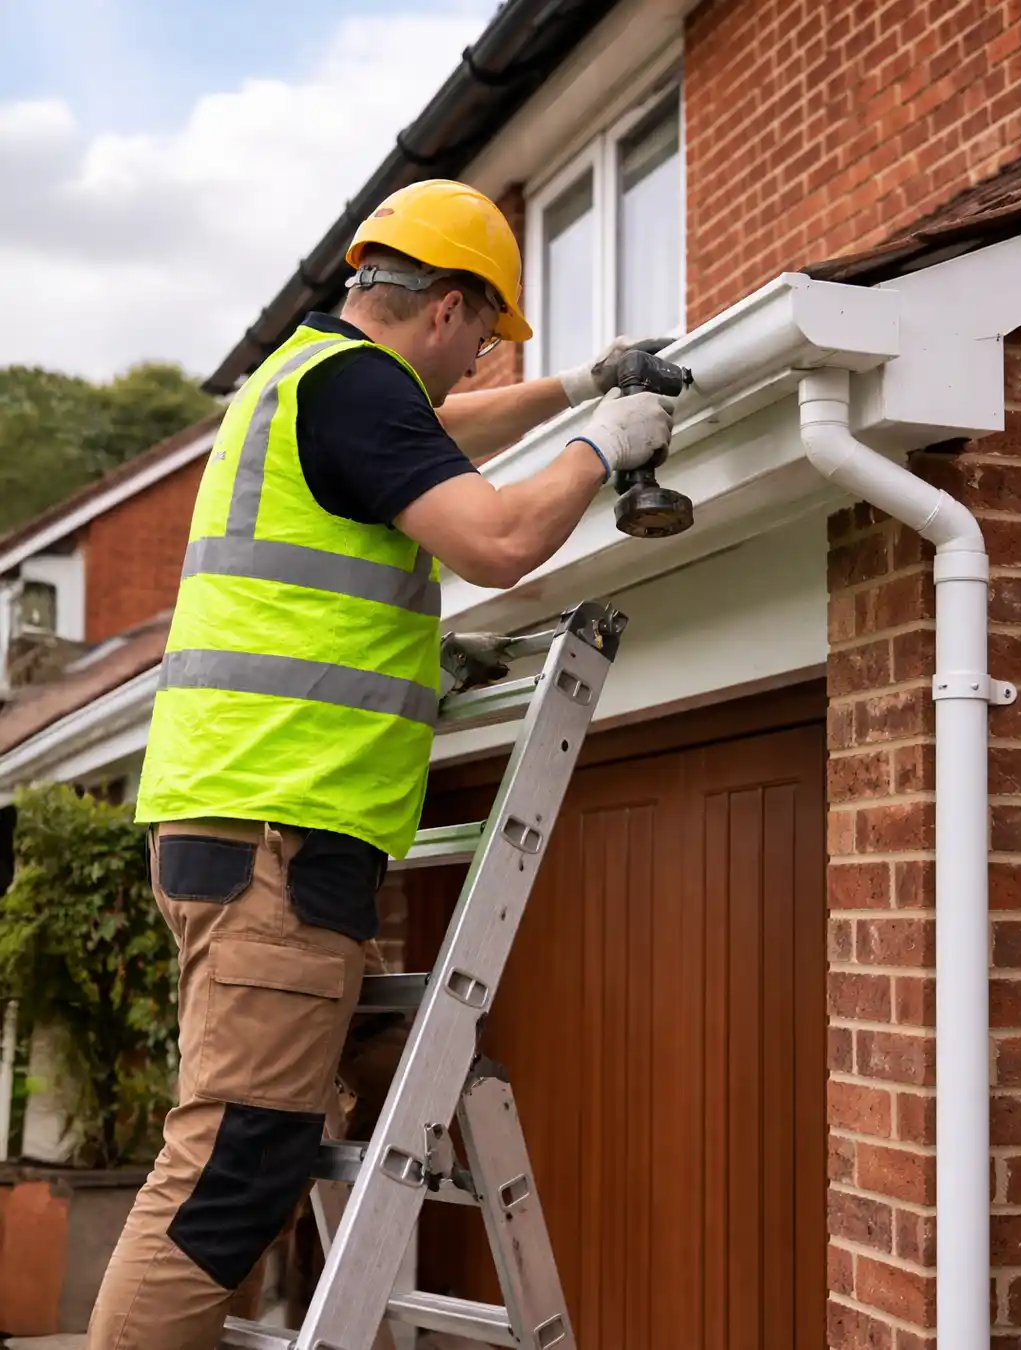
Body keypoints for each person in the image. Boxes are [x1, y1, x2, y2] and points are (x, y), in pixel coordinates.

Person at [87, 177, 678, 1350]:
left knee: (306, 1119)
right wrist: (601, 447)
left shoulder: (308, 382)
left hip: (252, 830)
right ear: (448, 307)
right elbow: (502, 539)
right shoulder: (355, 390)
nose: (474, 369)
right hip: (278, 837)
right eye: (482, 343)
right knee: (232, 1176)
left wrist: (579, 380)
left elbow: (440, 431)